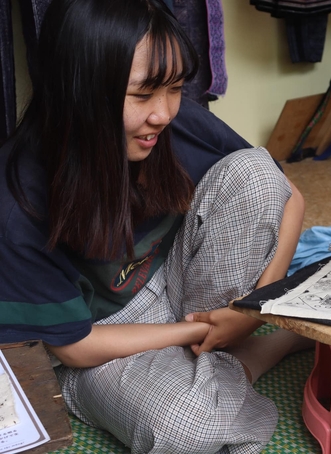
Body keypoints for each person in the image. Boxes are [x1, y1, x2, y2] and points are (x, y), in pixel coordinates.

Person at [0, 0, 312, 452]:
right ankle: (262, 352)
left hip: (176, 280)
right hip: (100, 340)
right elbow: (75, 348)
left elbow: (289, 194)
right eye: (143, 95)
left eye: (174, 89)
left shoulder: (171, 118)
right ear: (80, 90)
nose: (163, 114)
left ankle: (213, 359)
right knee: (187, 425)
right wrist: (202, 331)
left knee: (256, 174)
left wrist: (255, 303)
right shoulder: (16, 202)